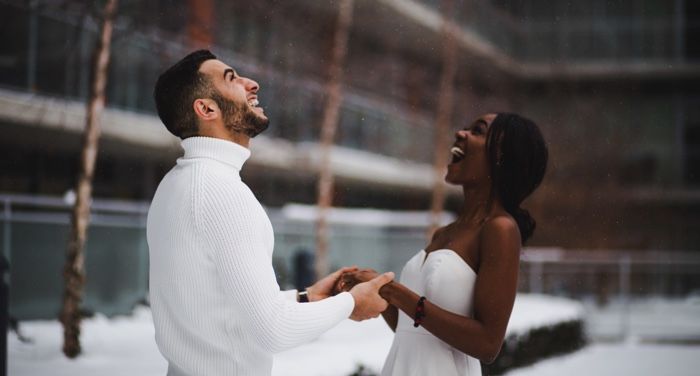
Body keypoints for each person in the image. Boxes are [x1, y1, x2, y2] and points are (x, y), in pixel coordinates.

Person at [147, 50, 394, 376]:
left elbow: (225, 311)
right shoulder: (221, 192)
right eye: (231, 79)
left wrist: (308, 298)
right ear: (206, 108)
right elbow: (273, 329)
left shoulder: (176, 184)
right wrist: (352, 302)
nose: (252, 84)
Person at [337, 113, 548, 375]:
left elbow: (488, 344)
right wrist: (378, 287)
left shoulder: (500, 229)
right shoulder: (444, 233)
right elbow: (414, 330)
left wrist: (397, 293)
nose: (461, 133)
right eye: (466, 127)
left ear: (501, 157)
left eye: (478, 131)